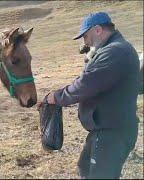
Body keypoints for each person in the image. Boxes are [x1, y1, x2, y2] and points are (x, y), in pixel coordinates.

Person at [43, 12, 140, 178]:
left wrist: (56, 97)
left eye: (85, 36)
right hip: (106, 129)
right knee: (85, 169)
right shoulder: (111, 49)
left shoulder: (116, 52)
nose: (84, 42)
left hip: (113, 132)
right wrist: (90, 56)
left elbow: (86, 84)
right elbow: (90, 80)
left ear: (97, 30)